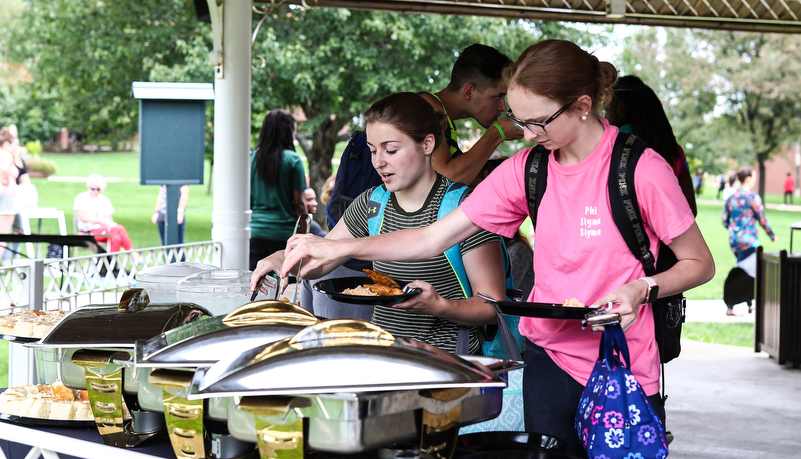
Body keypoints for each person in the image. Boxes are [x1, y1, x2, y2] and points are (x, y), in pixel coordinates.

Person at [273, 40, 715, 456]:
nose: (525, 135)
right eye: (519, 121)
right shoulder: (529, 168)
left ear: (582, 106)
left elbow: (699, 263)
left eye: (537, 122)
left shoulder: (640, 169)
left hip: (623, 363)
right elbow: (435, 235)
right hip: (549, 357)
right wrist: (334, 248)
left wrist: (642, 288)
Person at [255, 92, 506, 354]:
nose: (378, 162)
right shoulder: (372, 203)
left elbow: (491, 306)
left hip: (448, 363)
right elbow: (323, 258)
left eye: (391, 150)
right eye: (373, 151)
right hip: (386, 354)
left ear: (427, 144)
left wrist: (441, 306)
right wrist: (282, 260)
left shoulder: (464, 207)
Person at [419, 43, 524, 185]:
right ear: (469, 92)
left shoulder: (446, 120)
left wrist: (482, 174)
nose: (503, 107)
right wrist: (497, 133)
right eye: (498, 96)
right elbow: (440, 184)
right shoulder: (426, 107)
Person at [606, 75, 698, 215]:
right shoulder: (674, 150)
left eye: (606, 109)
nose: (605, 115)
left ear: (619, 108)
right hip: (669, 233)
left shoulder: (612, 144)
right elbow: (690, 208)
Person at [249, 109, 308, 271]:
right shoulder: (293, 160)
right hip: (284, 235)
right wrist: (305, 233)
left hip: (256, 231)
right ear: (288, 131)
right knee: (285, 285)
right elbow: (299, 204)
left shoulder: (252, 158)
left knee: (256, 282)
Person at [722, 167, 776, 315]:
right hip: (749, 241)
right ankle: (731, 306)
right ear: (748, 179)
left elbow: (724, 220)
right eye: (754, 177)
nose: (755, 180)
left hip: (734, 241)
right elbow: (762, 219)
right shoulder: (753, 198)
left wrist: (734, 229)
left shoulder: (732, 198)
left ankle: (749, 304)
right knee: (748, 272)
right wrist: (772, 235)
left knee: (746, 270)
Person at [73, 173, 136, 254]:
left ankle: (111, 263)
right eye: (93, 189)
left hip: (105, 230)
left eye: (98, 189)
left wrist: (107, 223)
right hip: (88, 232)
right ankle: (132, 253)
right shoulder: (81, 197)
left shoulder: (104, 200)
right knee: (119, 229)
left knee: (116, 238)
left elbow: (108, 219)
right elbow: (82, 217)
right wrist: (101, 221)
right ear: (88, 187)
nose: (95, 191)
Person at [0, 133, 19, 261]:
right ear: (6, 144)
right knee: (3, 234)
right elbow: (4, 169)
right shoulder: (5, 155)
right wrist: (6, 181)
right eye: (14, 146)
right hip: (5, 196)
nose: (15, 150)